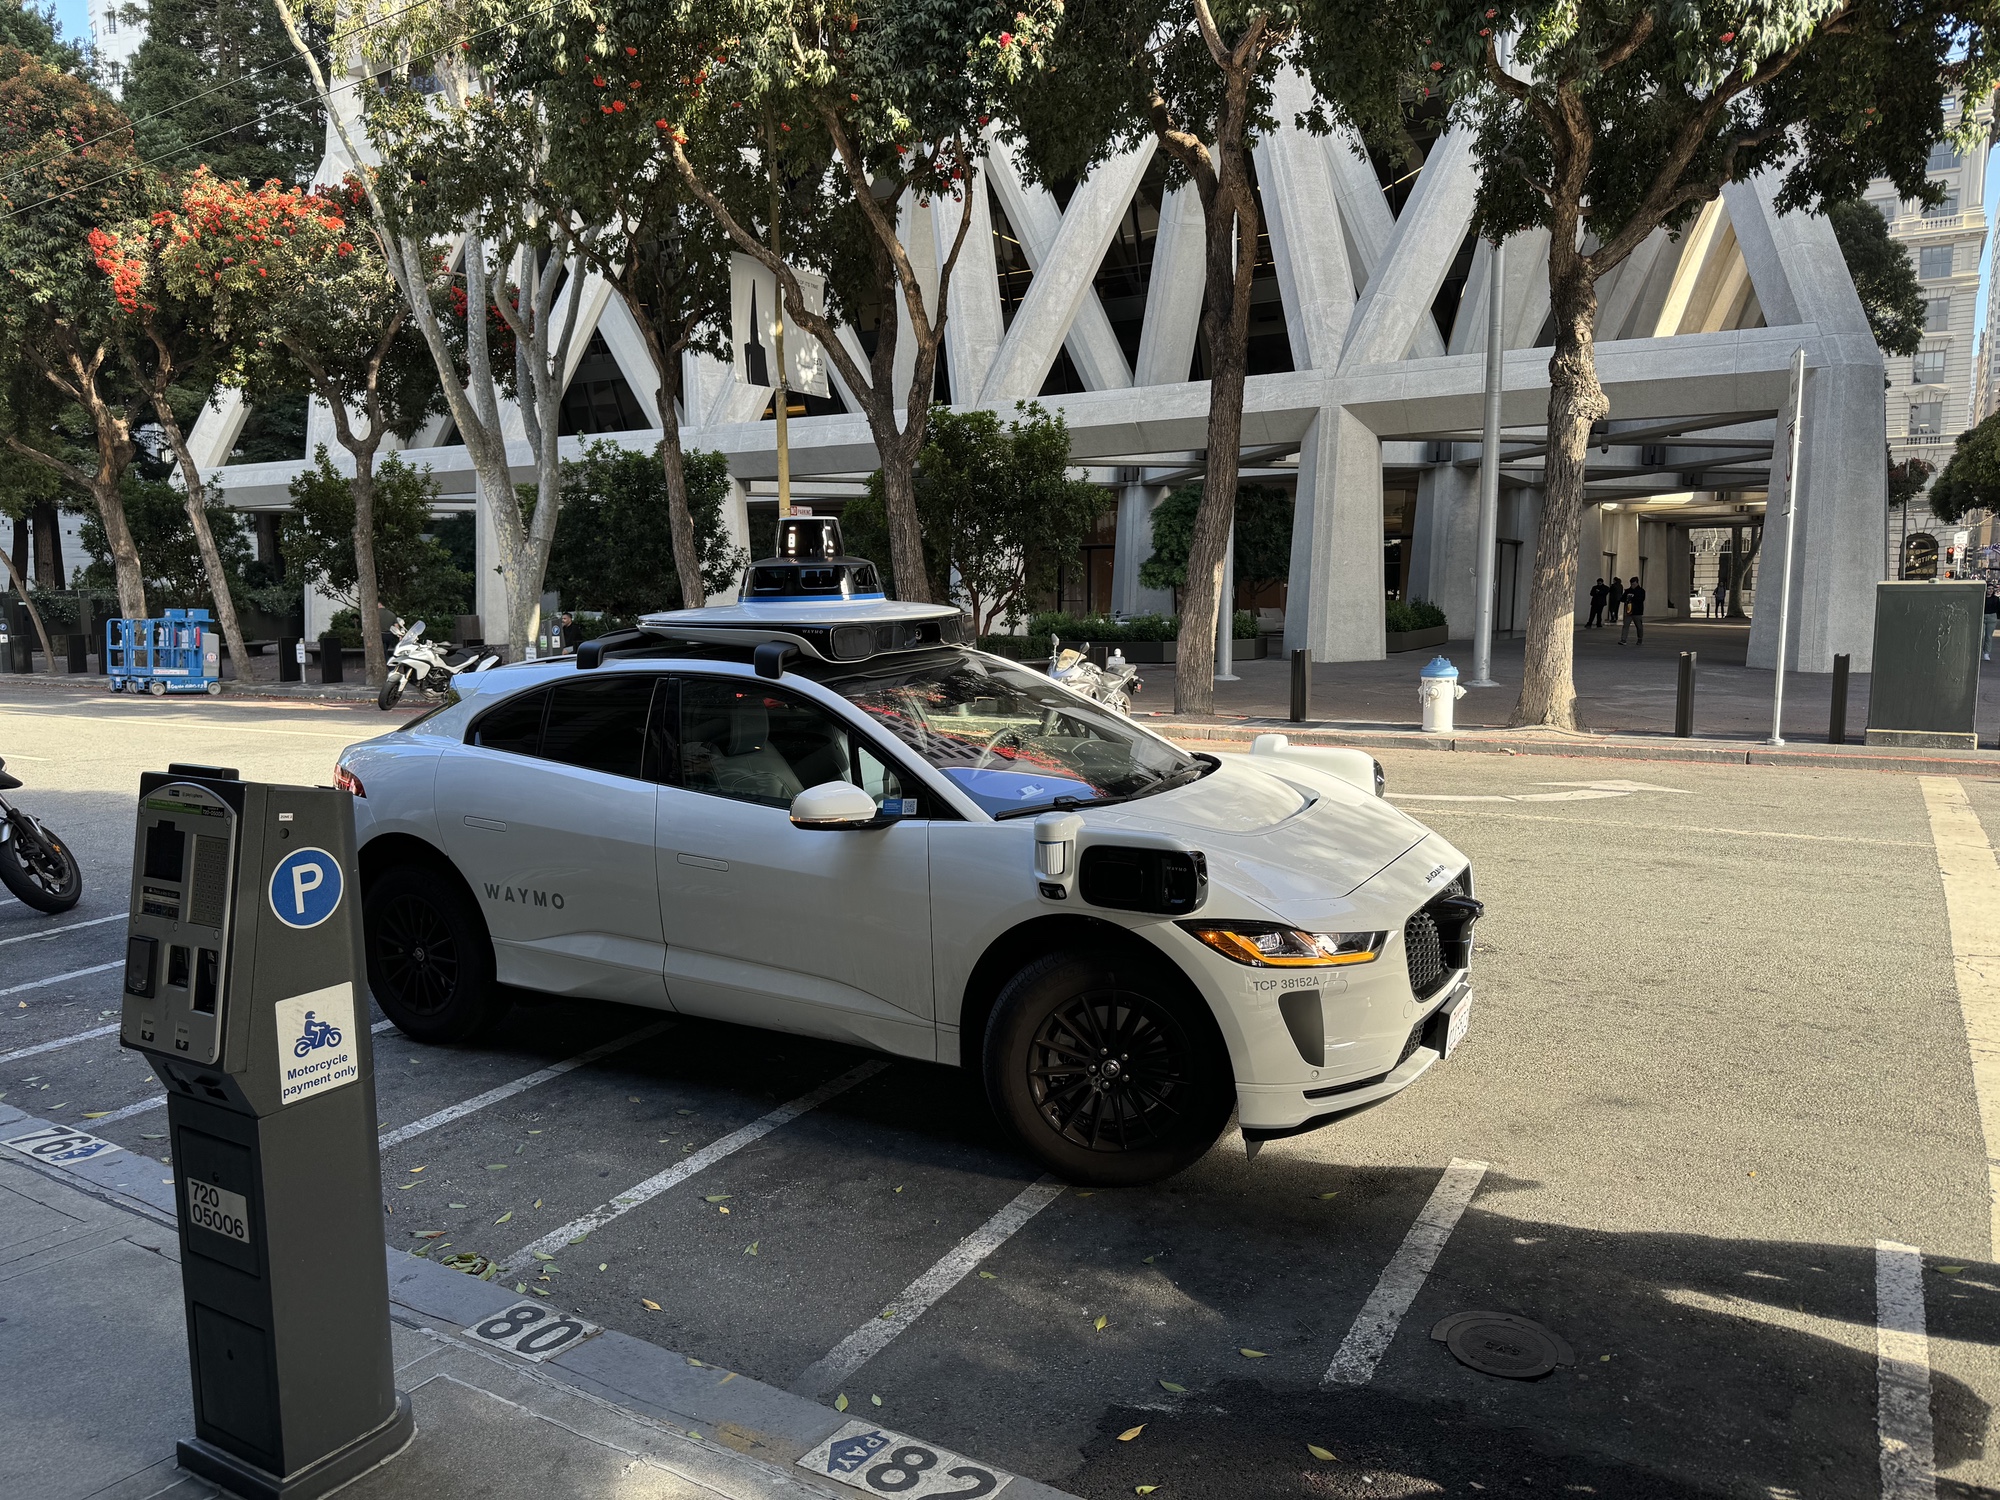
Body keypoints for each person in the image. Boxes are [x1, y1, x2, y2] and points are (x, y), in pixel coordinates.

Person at [1620, 576, 1646, 645]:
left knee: (1639, 626)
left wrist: (1633, 597)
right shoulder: (1628, 591)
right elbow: (1622, 599)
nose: (1632, 586)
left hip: (1637, 611)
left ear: (1637, 583)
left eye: (1634, 584)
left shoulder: (1641, 591)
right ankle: (1623, 639)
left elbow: (1641, 599)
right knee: (1625, 625)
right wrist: (1626, 598)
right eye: (1631, 584)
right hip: (1628, 611)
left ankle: (1640, 639)